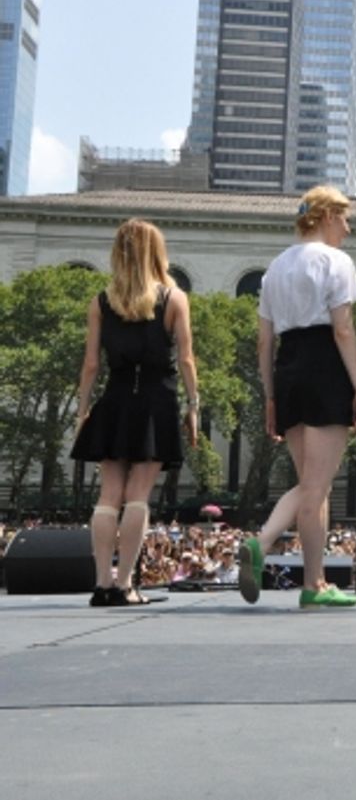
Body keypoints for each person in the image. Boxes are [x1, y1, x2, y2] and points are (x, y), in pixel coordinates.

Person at [238, 185, 356, 609]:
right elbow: (344, 329)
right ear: (327, 216)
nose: (347, 229)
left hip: (288, 367)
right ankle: (262, 541)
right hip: (325, 365)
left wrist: (271, 396)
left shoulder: (275, 267)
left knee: (315, 490)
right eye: (344, 218)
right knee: (316, 484)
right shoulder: (337, 262)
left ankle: (315, 583)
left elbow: (263, 341)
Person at [71, 219, 199, 606]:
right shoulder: (173, 298)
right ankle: (125, 584)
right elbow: (187, 358)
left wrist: (82, 411)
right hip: (156, 399)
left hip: (114, 398)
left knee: (109, 495)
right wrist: (194, 406)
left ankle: (101, 583)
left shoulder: (101, 302)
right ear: (156, 253)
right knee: (139, 494)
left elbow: (91, 364)